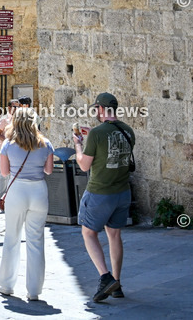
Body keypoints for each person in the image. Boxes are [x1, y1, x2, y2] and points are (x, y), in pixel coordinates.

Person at [75, 93, 135, 302]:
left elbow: (84, 165)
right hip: (122, 192)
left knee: (88, 233)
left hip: (100, 192)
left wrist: (78, 144)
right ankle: (117, 284)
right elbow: (112, 146)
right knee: (114, 235)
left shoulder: (97, 134)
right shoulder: (128, 130)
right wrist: (94, 134)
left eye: (96, 108)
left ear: (100, 109)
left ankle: (105, 277)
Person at [0, 108, 54, 300]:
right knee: (36, 241)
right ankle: (34, 290)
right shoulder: (46, 144)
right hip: (38, 191)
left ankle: (6, 285)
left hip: (17, 191)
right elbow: (48, 171)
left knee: (12, 237)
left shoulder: (8, 144)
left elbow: (4, 173)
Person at [0, 99, 19, 210]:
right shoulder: (4, 120)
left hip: (17, 150)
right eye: (15, 107)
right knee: (4, 174)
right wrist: (8, 141)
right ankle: (1, 198)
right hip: (5, 150)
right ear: (9, 107)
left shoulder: (19, 119)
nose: (17, 109)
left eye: (18, 107)